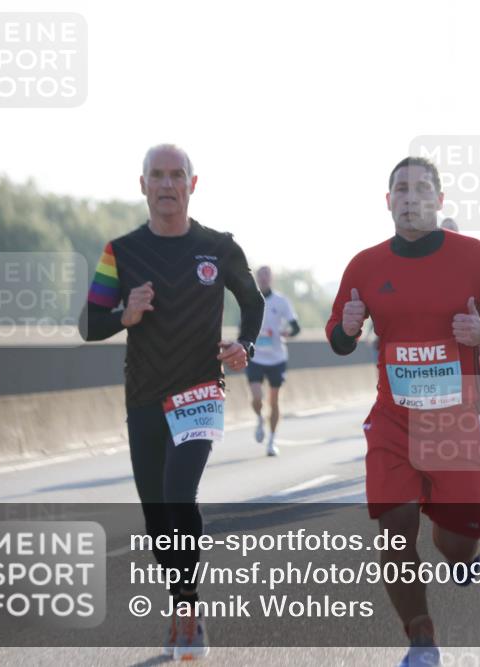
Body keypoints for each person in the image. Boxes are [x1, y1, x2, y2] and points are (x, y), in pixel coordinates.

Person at [325, 157, 480, 667]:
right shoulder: (365, 265)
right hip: (394, 417)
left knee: (456, 545)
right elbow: (337, 338)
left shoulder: (472, 255)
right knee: (395, 530)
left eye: (422, 188)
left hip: (456, 417)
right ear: (388, 200)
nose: (411, 196)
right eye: (401, 188)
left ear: (440, 201)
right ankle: (421, 640)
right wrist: (348, 326)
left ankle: (470, 550)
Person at [83, 144, 264, 660]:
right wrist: (124, 315)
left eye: (176, 175)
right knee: (156, 512)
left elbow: (253, 303)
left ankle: (188, 611)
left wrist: (243, 346)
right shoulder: (120, 250)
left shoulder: (220, 246)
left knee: (178, 493)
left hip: (200, 392)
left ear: (192, 183)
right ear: (143, 185)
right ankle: (179, 597)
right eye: (157, 176)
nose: (167, 184)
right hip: (144, 397)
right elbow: (87, 323)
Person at [247, 265, 300, 455]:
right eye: (260, 275)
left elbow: (296, 327)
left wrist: (288, 332)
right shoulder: (250, 298)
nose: (263, 279)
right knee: (256, 397)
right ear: (256, 278)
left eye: (266, 276)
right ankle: (260, 419)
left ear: (271, 279)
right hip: (256, 356)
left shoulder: (281, 301)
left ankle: (272, 440)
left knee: (274, 400)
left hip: (277, 358)